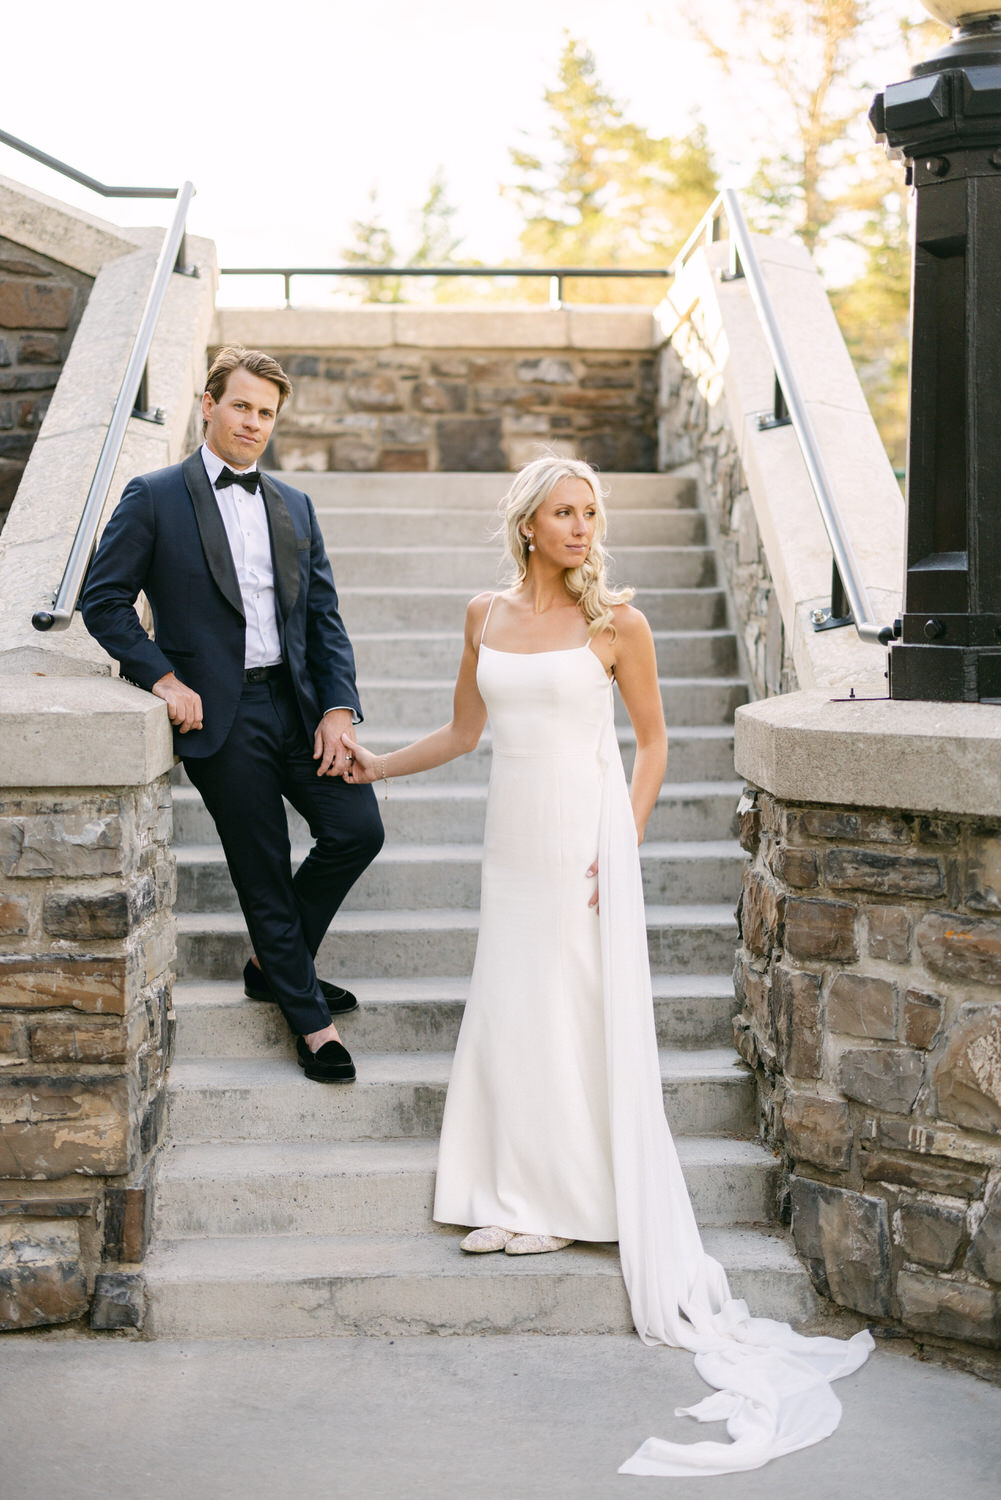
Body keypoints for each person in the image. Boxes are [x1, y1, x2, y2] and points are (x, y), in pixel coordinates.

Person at [343, 455, 873, 1477]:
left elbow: (656, 744)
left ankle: (558, 1204)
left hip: (585, 840)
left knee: (566, 1006)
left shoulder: (616, 623)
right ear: (527, 526)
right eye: (563, 513)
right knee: (512, 1005)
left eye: (591, 512)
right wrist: (376, 764)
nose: (582, 527)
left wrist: (620, 845)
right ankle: (504, 1195)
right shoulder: (480, 615)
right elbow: (464, 731)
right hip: (510, 837)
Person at [82, 346, 383, 1083]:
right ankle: (311, 1023)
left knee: (356, 829)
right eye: (242, 406)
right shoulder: (152, 496)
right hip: (217, 715)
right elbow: (104, 601)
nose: (253, 423)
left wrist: (338, 709)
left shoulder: (294, 505)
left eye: (266, 413)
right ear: (208, 405)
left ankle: (274, 967)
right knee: (261, 868)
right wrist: (161, 678)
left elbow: (323, 618)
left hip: (297, 703)